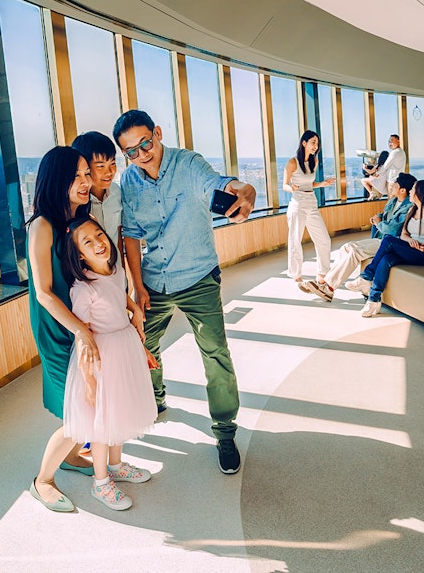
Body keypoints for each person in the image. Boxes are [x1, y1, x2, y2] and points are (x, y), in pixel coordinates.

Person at [114, 109, 255, 475]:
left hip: (197, 277)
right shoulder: (129, 182)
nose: (142, 153)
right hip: (154, 282)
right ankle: (156, 399)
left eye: (146, 143)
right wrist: (137, 285)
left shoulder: (188, 163)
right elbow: (130, 234)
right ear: (125, 155)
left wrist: (240, 190)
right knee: (143, 344)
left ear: (157, 133)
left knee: (215, 354)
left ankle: (225, 431)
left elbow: (216, 184)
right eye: (131, 150)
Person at [26, 146, 115, 513]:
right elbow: (45, 293)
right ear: (57, 180)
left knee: (90, 398)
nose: (86, 181)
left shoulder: (78, 218)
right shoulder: (42, 225)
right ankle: (42, 481)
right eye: (76, 176)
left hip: (81, 322)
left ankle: (73, 456)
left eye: (86, 174)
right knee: (78, 408)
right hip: (59, 326)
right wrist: (81, 331)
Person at [59, 216, 157, 511]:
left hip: (124, 346)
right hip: (102, 357)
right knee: (101, 423)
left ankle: (116, 466)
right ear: (79, 254)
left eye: (99, 235)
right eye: (87, 242)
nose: (98, 243)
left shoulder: (114, 271)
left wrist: (138, 326)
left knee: (120, 413)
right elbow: (82, 336)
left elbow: (121, 297)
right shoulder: (82, 288)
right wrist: (89, 383)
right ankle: (100, 483)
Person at [348, 180, 424, 317]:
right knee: (386, 258)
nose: (410, 192)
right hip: (412, 250)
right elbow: (404, 234)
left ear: (420, 193)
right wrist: (410, 240)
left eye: (413, 189)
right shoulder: (412, 210)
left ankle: (366, 276)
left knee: (388, 240)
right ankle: (373, 300)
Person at [306, 172, 416, 302]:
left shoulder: (409, 206)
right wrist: (379, 216)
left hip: (390, 242)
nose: (392, 186)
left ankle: (328, 288)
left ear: (403, 190)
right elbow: (385, 215)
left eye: (395, 184)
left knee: (355, 250)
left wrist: (378, 223)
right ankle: (326, 283)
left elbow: (393, 229)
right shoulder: (393, 201)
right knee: (346, 247)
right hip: (381, 238)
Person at [284, 130, 335, 293]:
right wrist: (291, 188)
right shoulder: (292, 162)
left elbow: (308, 184)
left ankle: (322, 275)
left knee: (324, 240)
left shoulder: (314, 161)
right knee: (295, 240)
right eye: (313, 142)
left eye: (317, 143)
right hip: (297, 203)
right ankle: (297, 276)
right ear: (304, 143)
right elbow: (284, 185)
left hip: (312, 203)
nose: (316, 146)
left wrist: (322, 184)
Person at [71, 131, 123, 253]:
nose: (110, 172)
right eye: (100, 166)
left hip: (116, 268)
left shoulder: (117, 192)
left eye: (113, 164)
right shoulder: (77, 202)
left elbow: (119, 236)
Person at [361, 134, 406, 199]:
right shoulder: (402, 152)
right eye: (389, 141)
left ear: (398, 141)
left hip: (392, 181)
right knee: (396, 201)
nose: (390, 143)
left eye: (392, 141)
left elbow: (385, 167)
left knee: (391, 201)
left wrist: (376, 173)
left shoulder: (394, 152)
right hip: (399, 181)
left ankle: (372, 194)